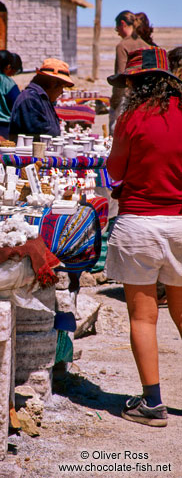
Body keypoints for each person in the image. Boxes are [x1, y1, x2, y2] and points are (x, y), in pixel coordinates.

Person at [105, 47, 182, 427]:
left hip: (138, 224)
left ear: (134, 83)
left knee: (144, 316)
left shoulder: (131, 117)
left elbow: (115, 171)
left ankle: (152, 404)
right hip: (180, 224)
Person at [9, 57, 74, 140]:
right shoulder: (30, 99)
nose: (62, 92)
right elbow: (40, 134)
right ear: (53, 83)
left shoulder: (42, 99)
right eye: (62, 87)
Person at [109, 10, 150, 134]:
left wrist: (114, 102)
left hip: (126, 98)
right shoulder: (146, 45)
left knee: (117, 135)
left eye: (117, 29)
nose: (118, 33)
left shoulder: (123, 46)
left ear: (122, 24)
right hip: (143, 98)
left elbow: (120, 78)